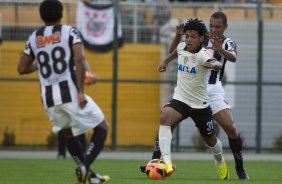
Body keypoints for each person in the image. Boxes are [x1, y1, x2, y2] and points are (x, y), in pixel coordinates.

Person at [141, 12, 249, 180]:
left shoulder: (227, 43)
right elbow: (177, 51)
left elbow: (232, 58)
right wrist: (166, 58)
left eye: (218, 27)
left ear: (225, 27)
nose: (214, 29)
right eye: (212, 26)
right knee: (167, 119)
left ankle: (239, 169)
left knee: (229, 130)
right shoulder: (198, 38)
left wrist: (219, 52)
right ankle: (156, 161)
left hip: (211, 92)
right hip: (186, 92)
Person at [17, 1, 110, 183]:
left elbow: (21, 68)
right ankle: (84, 167)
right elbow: (79, 59)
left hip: (49, 99)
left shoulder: (34, 38)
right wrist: (82, 92)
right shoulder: (70, 32)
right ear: (61, 13)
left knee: (68, 134)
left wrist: (42, 63)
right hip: (70, 94)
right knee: (102, 127)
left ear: (41, 15)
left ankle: (89, 177)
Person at [152, 18, 229, 180]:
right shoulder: (182, 47)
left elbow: (216, 63)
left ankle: (219, 160)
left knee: (210, 139)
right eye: (187, 36)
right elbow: (173, 52)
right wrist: (165, 62)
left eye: (192, 36)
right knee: (165, 116)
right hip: (180, 99)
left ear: (201, 38)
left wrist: (214, 65)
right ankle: (166, 162)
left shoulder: (203, 54)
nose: (188, 39)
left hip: (200, 104)